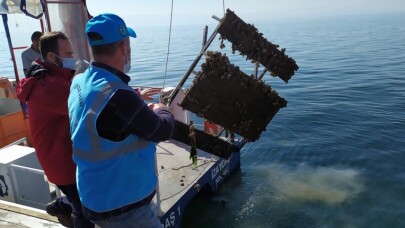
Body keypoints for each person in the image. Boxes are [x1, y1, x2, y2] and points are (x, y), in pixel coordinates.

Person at [68, 13, 174, 228]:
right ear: (125, 48)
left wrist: (134, 99)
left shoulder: (79, 81)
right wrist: (162, 109)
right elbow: (162, 131)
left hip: (93, 196)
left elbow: (103, 111)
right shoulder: (120, 98)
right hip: (123, 208)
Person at [16, 31, 94, 228]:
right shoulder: (48, 86)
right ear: (52, 57)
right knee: (85, 214)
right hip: (62, 161)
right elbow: (86, 105)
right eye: (68, 54)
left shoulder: (52, 77)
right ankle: (64, 207)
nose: (73, 58)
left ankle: (59, 206)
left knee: (81, 198)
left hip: (63, 156)